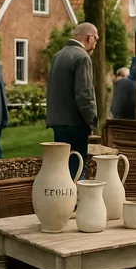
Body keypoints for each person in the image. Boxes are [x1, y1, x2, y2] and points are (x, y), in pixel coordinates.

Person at [46, 22, 99, 178]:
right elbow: (84, 94)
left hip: (58, 121)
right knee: (76, 170)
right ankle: (74, 202)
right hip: (75, 123)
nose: (96, 43)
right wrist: (91, 120)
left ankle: (62, 201)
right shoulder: (82, 57)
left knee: (61, 168)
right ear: (89, 37)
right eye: (96, 39)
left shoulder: (58, 55)